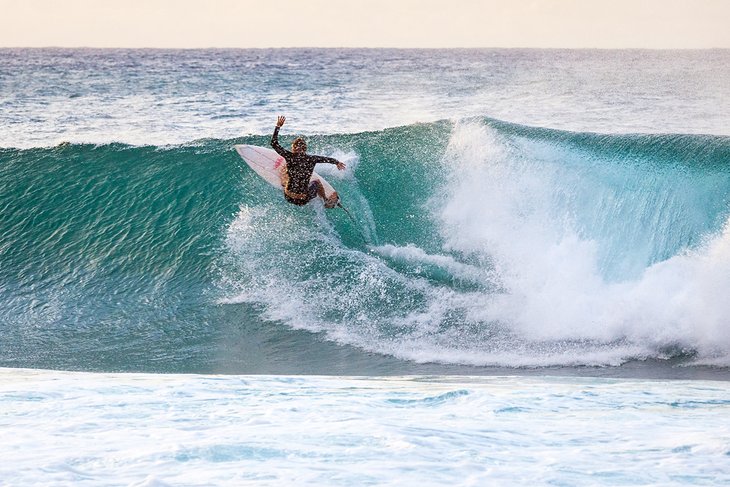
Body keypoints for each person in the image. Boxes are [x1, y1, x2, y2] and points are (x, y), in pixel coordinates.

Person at [271, 115, 346, 208]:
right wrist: (337, 162)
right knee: (317, 182)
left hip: (289, 197)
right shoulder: (312, 159)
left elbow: (274, 143)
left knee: (285, 170)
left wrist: (278, 127)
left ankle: (284, 182)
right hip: (303, 200)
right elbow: (326, 159)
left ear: (293, 148)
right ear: (305, 149)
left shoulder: (290, 156)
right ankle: (325, 200)